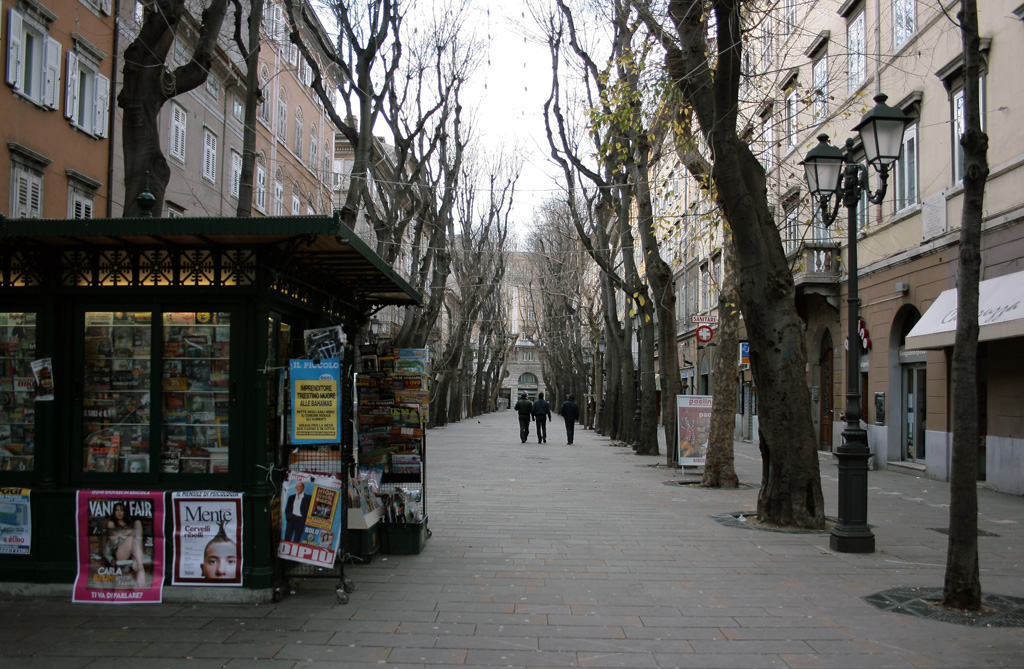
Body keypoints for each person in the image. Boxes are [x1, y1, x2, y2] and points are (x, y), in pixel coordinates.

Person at [104, 501, 147, 589]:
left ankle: (137, 561)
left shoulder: (129, 523)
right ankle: (140, 567)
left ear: (125, 512)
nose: (119, 513)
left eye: (122, 510)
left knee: (138, 523)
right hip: (118, 552)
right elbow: (113, 537)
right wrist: (129, 533)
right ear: (114, 512)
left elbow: (124, 535)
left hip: (132, 551)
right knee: (132, 538)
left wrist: (125, 534)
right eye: (117, 510)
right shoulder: (111, 523)